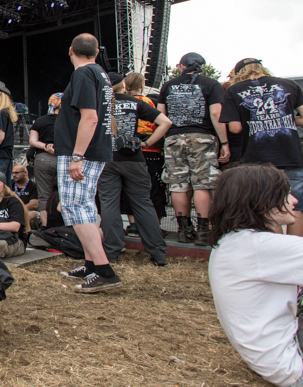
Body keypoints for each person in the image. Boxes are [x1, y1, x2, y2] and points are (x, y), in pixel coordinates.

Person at [207, 164, 303, 387]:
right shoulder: (258, 247)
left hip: (275, 359)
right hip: (297, 365)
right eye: (286, 194)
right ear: (266, 202)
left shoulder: (236, 241)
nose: (295, 200)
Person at [221, 58, 303, 238]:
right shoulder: (290, 85)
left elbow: (235, 128)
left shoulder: (234, 90)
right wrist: (285, 117)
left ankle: (274, 254)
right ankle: (296, 255)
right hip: (292, 157)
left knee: (267, 211)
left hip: (258, 161)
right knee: (296, 209)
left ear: (239, 73)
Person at [54, 33, 119, 293]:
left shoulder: (82, 74)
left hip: (82, 152)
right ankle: (92, 264)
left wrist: (77, 156)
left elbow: (90, 118)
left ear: (71, 50)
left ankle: (104, 270)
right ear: (96, 52)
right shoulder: (101, 74)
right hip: (95, 150)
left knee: (75, 206)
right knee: (87, 207)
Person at [96, 72, 172, 266]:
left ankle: (111, 253)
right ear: (123, 85)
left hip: (106, 159)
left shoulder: (99, 104)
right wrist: (146, 143)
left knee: (109, 206)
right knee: (143, 204)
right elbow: (165, 122)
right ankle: (158, 253)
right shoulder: (134, 102)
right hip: (134, 158)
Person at [158, 52, 229, 245]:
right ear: (201, 67)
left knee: (178, 184)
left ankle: (183, 230)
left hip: (174, 137)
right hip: (202, 137)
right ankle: (203, 231)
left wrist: (166, 140)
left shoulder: (168, 86)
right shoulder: (211, 84)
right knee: (202, 184)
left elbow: (161, 116)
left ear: (181, 66)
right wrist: (224, 142)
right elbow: (216, 114)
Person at [123, 73, 167, 233]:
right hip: (150, 149)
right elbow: (160, 124)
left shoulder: (122, 102)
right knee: (153, 188)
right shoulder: (148, 102)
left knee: (130, 188)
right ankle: (154, 225)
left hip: (128, 150)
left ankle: (133, 224)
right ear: (141, 85)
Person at [28, 93, 61, 227]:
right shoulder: (70, 121)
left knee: (44, 194)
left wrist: (45, 146)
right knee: (65, 193)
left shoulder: (40, 121)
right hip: (63, 158)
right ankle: (63, 226)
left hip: (43, 159)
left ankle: (46, 227)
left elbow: (32, 141)